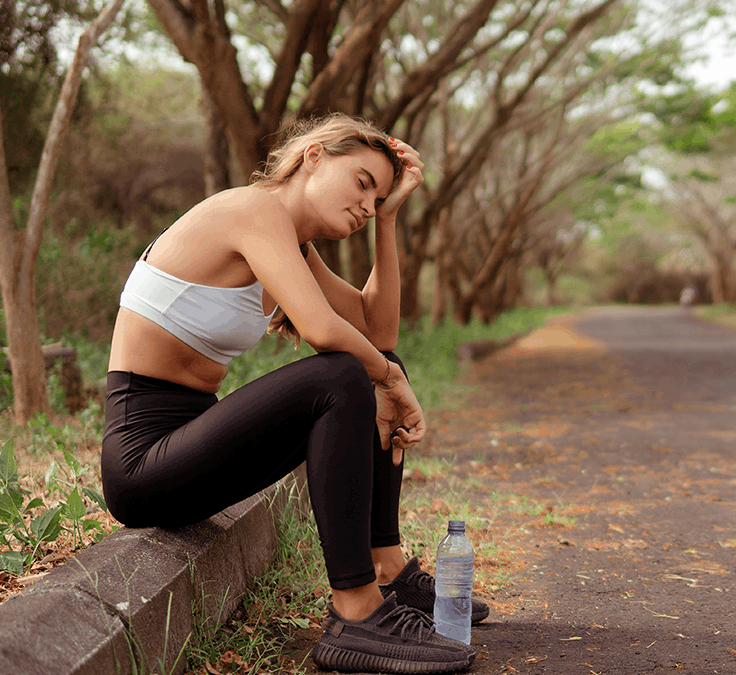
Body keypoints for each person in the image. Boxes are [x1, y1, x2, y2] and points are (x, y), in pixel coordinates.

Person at [101, 113, 485, 674]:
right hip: (144, 464)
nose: (366, 205)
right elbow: (325, 333)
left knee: (371, 364)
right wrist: (391, 381)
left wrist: (390, 223)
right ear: (313, 156)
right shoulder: (250, 209)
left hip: (190, 448)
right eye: (362, 183)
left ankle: (387, 571)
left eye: (378, 198)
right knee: (344, 375)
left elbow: (378, 334)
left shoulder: (294, 244)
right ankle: (356, 614)